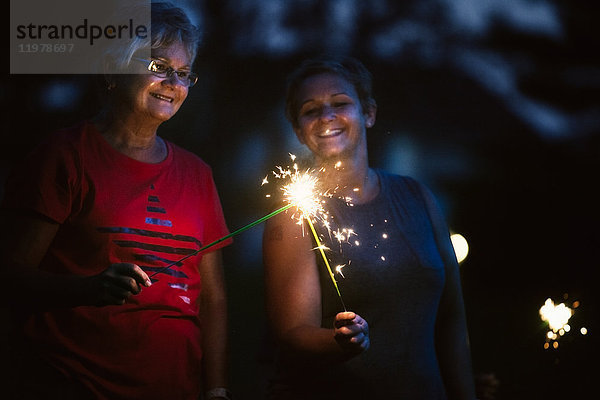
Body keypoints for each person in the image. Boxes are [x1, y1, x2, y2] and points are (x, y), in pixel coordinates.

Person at [1, 2, 232, 400]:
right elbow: (10, 276)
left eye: (182, 73)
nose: (172, 82)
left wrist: (216, 388)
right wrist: (87, 290)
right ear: (112, 69)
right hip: (73, 382)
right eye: (158, 66)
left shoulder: (198, 175)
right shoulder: (66, 156)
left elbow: (213, 298)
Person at [262, 56, 476, 399]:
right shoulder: (294, 215)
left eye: (341, 103)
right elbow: (292, 333)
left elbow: (452, 321)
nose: (326, 116)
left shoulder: (418, 196)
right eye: (310, 109)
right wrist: (338, 341)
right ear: (298, 130)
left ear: (369, 113)